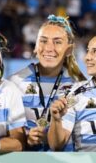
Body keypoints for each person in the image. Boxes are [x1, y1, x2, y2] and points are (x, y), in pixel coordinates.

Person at [8, 15, 85, 151]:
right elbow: (4, 132)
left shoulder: (77, 86)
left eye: (57, 42)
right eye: (43, 41)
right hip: (24, 162)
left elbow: (60, 143)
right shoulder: (15, 82)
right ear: (35, 47)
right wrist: (25, 139)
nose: (49, 48)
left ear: (69, 50)